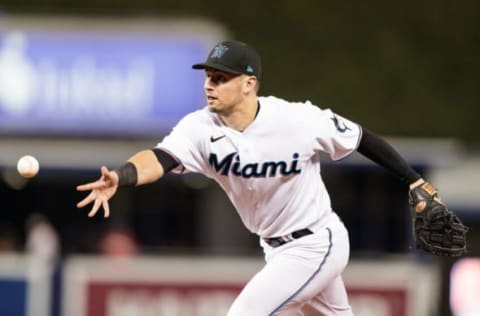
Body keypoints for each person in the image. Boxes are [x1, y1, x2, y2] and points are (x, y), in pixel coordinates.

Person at [76, 40, 434, 315]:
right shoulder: (199, 128)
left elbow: (361, 138)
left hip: (317, 242)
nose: (209, 85)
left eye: (221, 78)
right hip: (275, 249)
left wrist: (413, 180)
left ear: (249, 83)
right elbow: (160, 158)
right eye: (207, 76)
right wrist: (121, 177)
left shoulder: (296, 120)